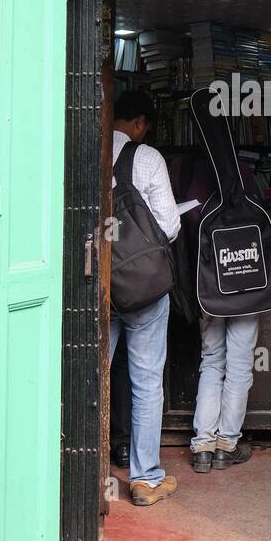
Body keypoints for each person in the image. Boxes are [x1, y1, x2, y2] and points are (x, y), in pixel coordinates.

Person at [111, 90, 181, 506]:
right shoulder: (148, 157)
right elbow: (170, 226)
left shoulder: (86, 150)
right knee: (146, 381)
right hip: (144, 289)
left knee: (94, 378)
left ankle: (84, 473)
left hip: (99, 285)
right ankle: (145, 479)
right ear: (138, 124)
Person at [176, 147, 262, 474]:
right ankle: (227, 445)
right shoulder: (243, 170)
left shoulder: (185, 171)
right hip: (245, 283)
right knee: (240, 364)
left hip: (208, 283)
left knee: (211, 360)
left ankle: (202, 446)